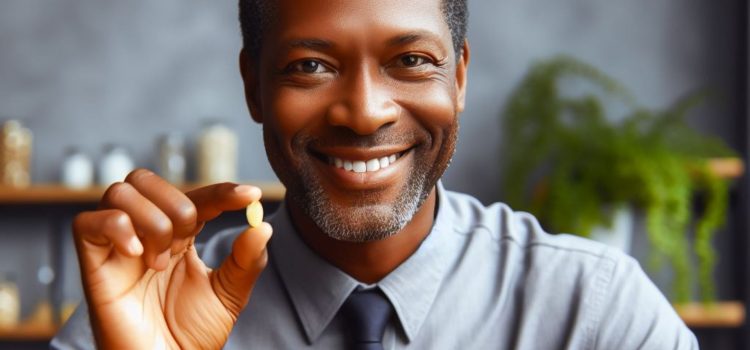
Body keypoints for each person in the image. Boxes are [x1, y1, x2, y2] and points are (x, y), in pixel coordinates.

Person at [52, 0, 699, 348]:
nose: (364, 113)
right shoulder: (143, 317)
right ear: (253, 85)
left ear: (461, 76)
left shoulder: (595, 310)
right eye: (309, 66)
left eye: (412, 59)